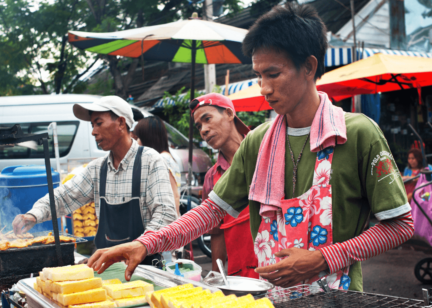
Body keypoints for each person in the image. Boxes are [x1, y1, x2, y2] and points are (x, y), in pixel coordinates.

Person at [87, 3, 414, 291]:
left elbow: (399, 224)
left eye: (273, 74)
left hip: (341, 302)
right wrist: (145, 244)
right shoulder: (258, 142)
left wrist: (323, 258)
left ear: (309, 67)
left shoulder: (356, 134)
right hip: (268, 301)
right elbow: (212, 211)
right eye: (259, 76)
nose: (264, 88)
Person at [12, 96, 177, 266]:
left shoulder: (150, 161)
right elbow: (64, 196)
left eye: (98, 123)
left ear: (120, 123)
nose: (93, 131)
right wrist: (34, 214)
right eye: (92, 125)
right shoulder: (97, 169)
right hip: (106, 268)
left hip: (144, 266)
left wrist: (141, 245)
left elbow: (165, 213)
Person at [195, 93, 258, 277]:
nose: (203, 130)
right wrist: (216, 275)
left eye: (207, 119)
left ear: (230, 114)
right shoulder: (211, 178)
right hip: (240, 278)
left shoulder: (264, 152)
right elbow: (217, 234)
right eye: (199, 126)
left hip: (277, 270)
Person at [133, 116, 181, 215]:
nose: (136, 142)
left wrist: (171, 228)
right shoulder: (167, 157)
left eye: (138, 138)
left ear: (148, 138)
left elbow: (174, 196)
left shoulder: (162, 159)